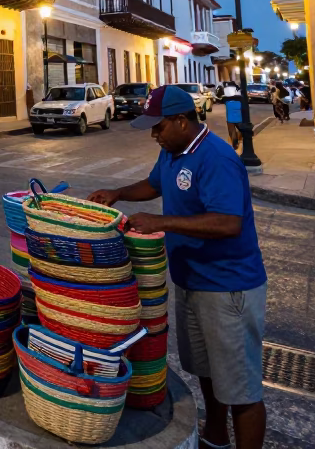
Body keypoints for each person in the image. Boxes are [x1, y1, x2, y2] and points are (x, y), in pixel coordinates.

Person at [88, 86, 267, 449]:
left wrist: (162, 222)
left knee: (241, 388)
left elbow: (228, 222)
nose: (154, 134)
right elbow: (154, 185)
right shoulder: (172, 151)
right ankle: (216, 437)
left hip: (227, 288)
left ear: (181, 121)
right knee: (207, 373)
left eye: (158, 127)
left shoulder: (215, 158)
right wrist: (117, 193)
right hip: (192, 282)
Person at [223, 84, 242, 151]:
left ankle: (235, 145)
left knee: (232, 132)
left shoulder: (227, 102)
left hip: (230, 119)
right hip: (239, 119)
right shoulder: (240, 102)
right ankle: (242, 141)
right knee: (243, 130)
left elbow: (223, 99)